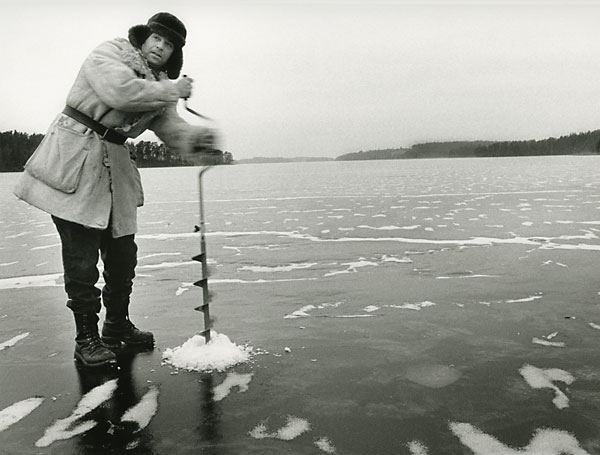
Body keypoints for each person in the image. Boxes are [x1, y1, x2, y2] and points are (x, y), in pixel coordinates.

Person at [13, 12, 217, 368]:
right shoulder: (109, 53)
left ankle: (116, 326)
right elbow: (120, 93)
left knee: (123, 256)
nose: (160, 46)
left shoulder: (160, 85)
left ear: (174, 54)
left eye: (169, 45)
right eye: (157, 38)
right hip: (75, 160)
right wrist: (172, 89)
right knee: (81, 260)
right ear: (143, 37)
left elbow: (170, 127)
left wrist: (197, 143)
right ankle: (86, 339)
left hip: (116, 168)